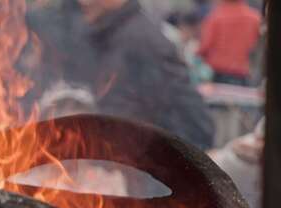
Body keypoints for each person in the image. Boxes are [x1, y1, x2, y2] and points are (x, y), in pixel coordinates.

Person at [27, 0, 215, 150]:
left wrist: (137, 154)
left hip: (121, 186)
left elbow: (197, 128)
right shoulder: (70, 30)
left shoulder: (149, 45)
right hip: (63, 175)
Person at [198, 0, 262, 86]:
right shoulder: (255, 18)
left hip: (218, 74)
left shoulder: (215, 17)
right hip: (243, 74)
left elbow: (204, 47)